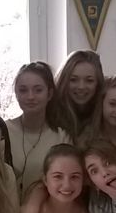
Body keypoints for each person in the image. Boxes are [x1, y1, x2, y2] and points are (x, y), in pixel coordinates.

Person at [7, 62, 70, 200]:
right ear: (16, 94)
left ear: (49, 94)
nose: (30, 96)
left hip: (48, 210)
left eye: (38, 90)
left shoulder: (61, 137)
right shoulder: (2, 131)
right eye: (23, 90)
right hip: (7, 211)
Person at [50, 50, 105, 144]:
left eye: (89, 80)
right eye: (73, 80)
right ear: (64, 80)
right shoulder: (50, 114)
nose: (81, 87)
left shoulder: (106, 113)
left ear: (98, 83)